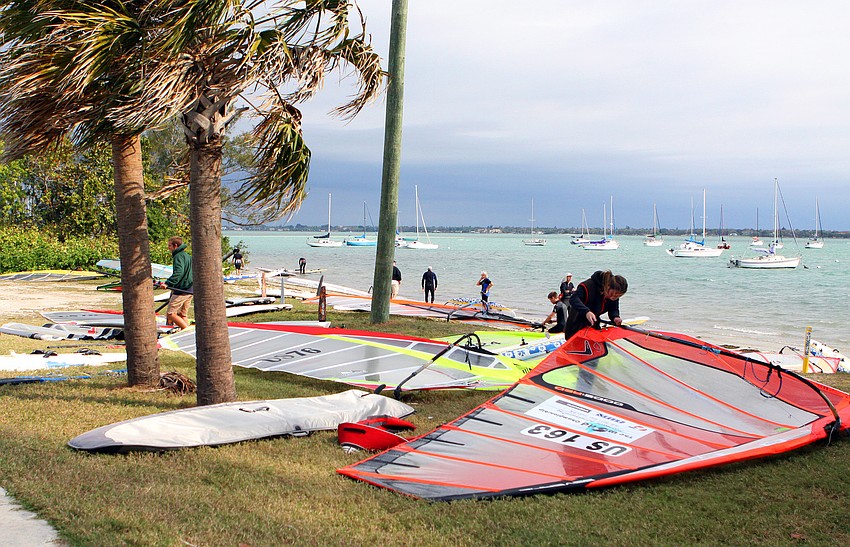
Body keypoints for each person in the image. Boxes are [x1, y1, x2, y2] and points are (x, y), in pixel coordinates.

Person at [564, 270, 627, 340]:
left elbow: (613, 308)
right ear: (607, 286)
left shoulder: (613, 297)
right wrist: (587, 312)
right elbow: (573, 299)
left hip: (593, 325)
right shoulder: (588, 286)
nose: (612, 298)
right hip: (576, 324)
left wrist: (615, 317)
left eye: (617, 297)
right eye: (612, 294)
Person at [159, 236, 193, 330]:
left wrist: (168, 283)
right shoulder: (187, 256)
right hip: (190, 289)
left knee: (171, 314)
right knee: (182, 314)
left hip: (182, 289)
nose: (168, 248)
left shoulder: (178, 256)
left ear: (175, 245)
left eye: (169, 246)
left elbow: (179, 272)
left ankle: (187, 331)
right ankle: (188, 336)